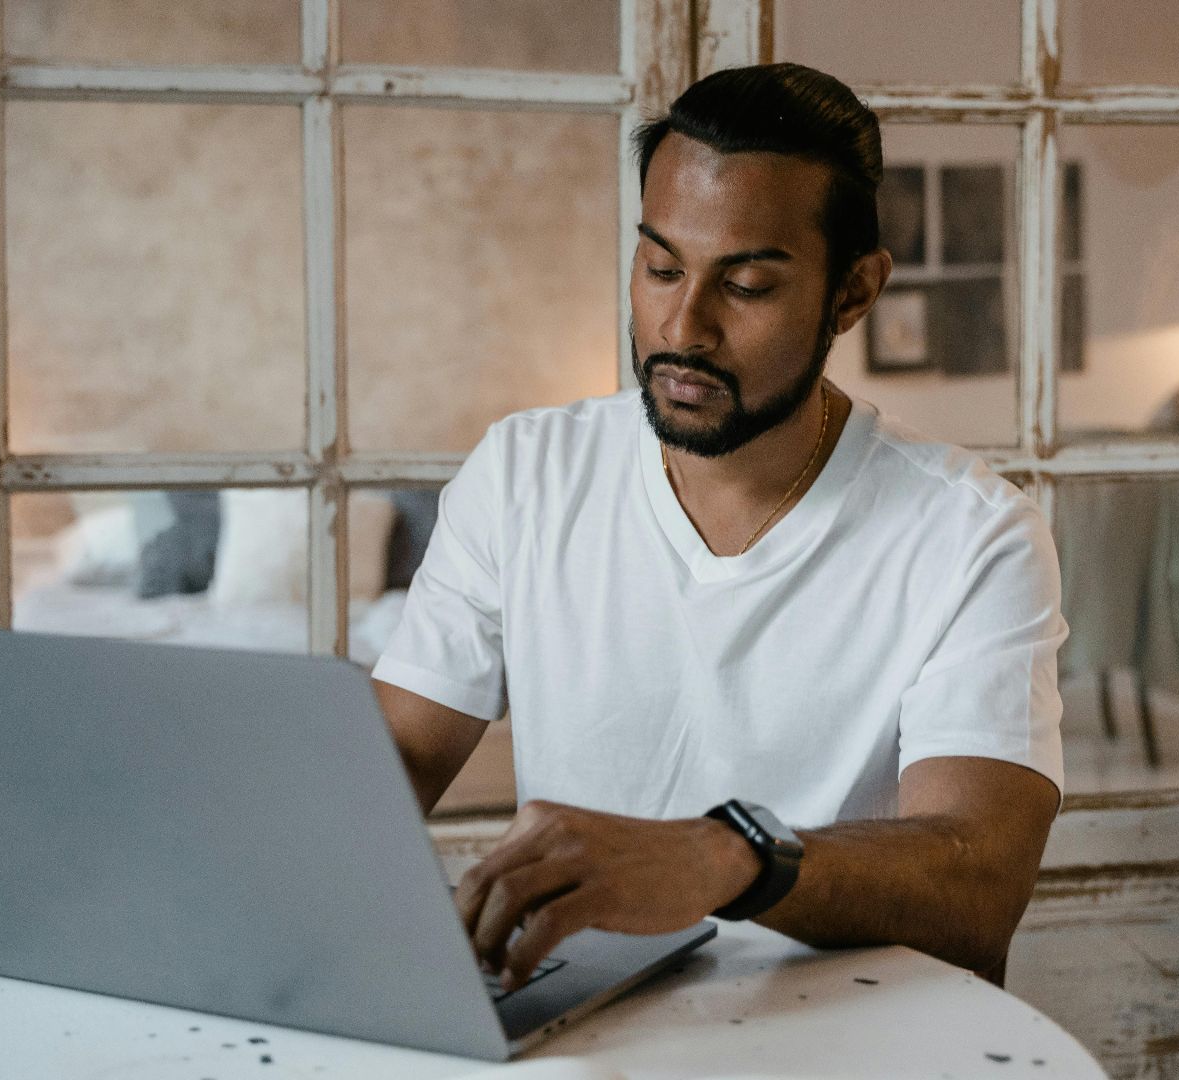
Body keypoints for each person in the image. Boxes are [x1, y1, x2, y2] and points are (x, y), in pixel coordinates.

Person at [371, 63, 1066, 994]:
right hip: (576, 1021)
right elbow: (393, 764)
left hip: (847, 1036)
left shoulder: (972, 535)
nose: (682, 325)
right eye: (660, 267)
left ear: (854, 294)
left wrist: (727, 857)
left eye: (744, 284)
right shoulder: (524, 475)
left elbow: (977, 882)